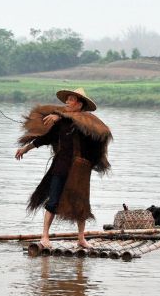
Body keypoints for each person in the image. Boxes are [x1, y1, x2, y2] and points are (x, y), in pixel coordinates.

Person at [15, 88, 112, 249]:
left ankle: (81, 238)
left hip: (80, 169)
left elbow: (103, 132)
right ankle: (44, 237)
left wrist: (60, 115)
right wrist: (26, 148)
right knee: (52, 201)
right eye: (66, 99)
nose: (66, 102)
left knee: (81, 203)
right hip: (60, 166)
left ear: (80, 104)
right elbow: (45, 139)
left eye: (71, 99)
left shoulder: (88, 121)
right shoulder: (60, 123)